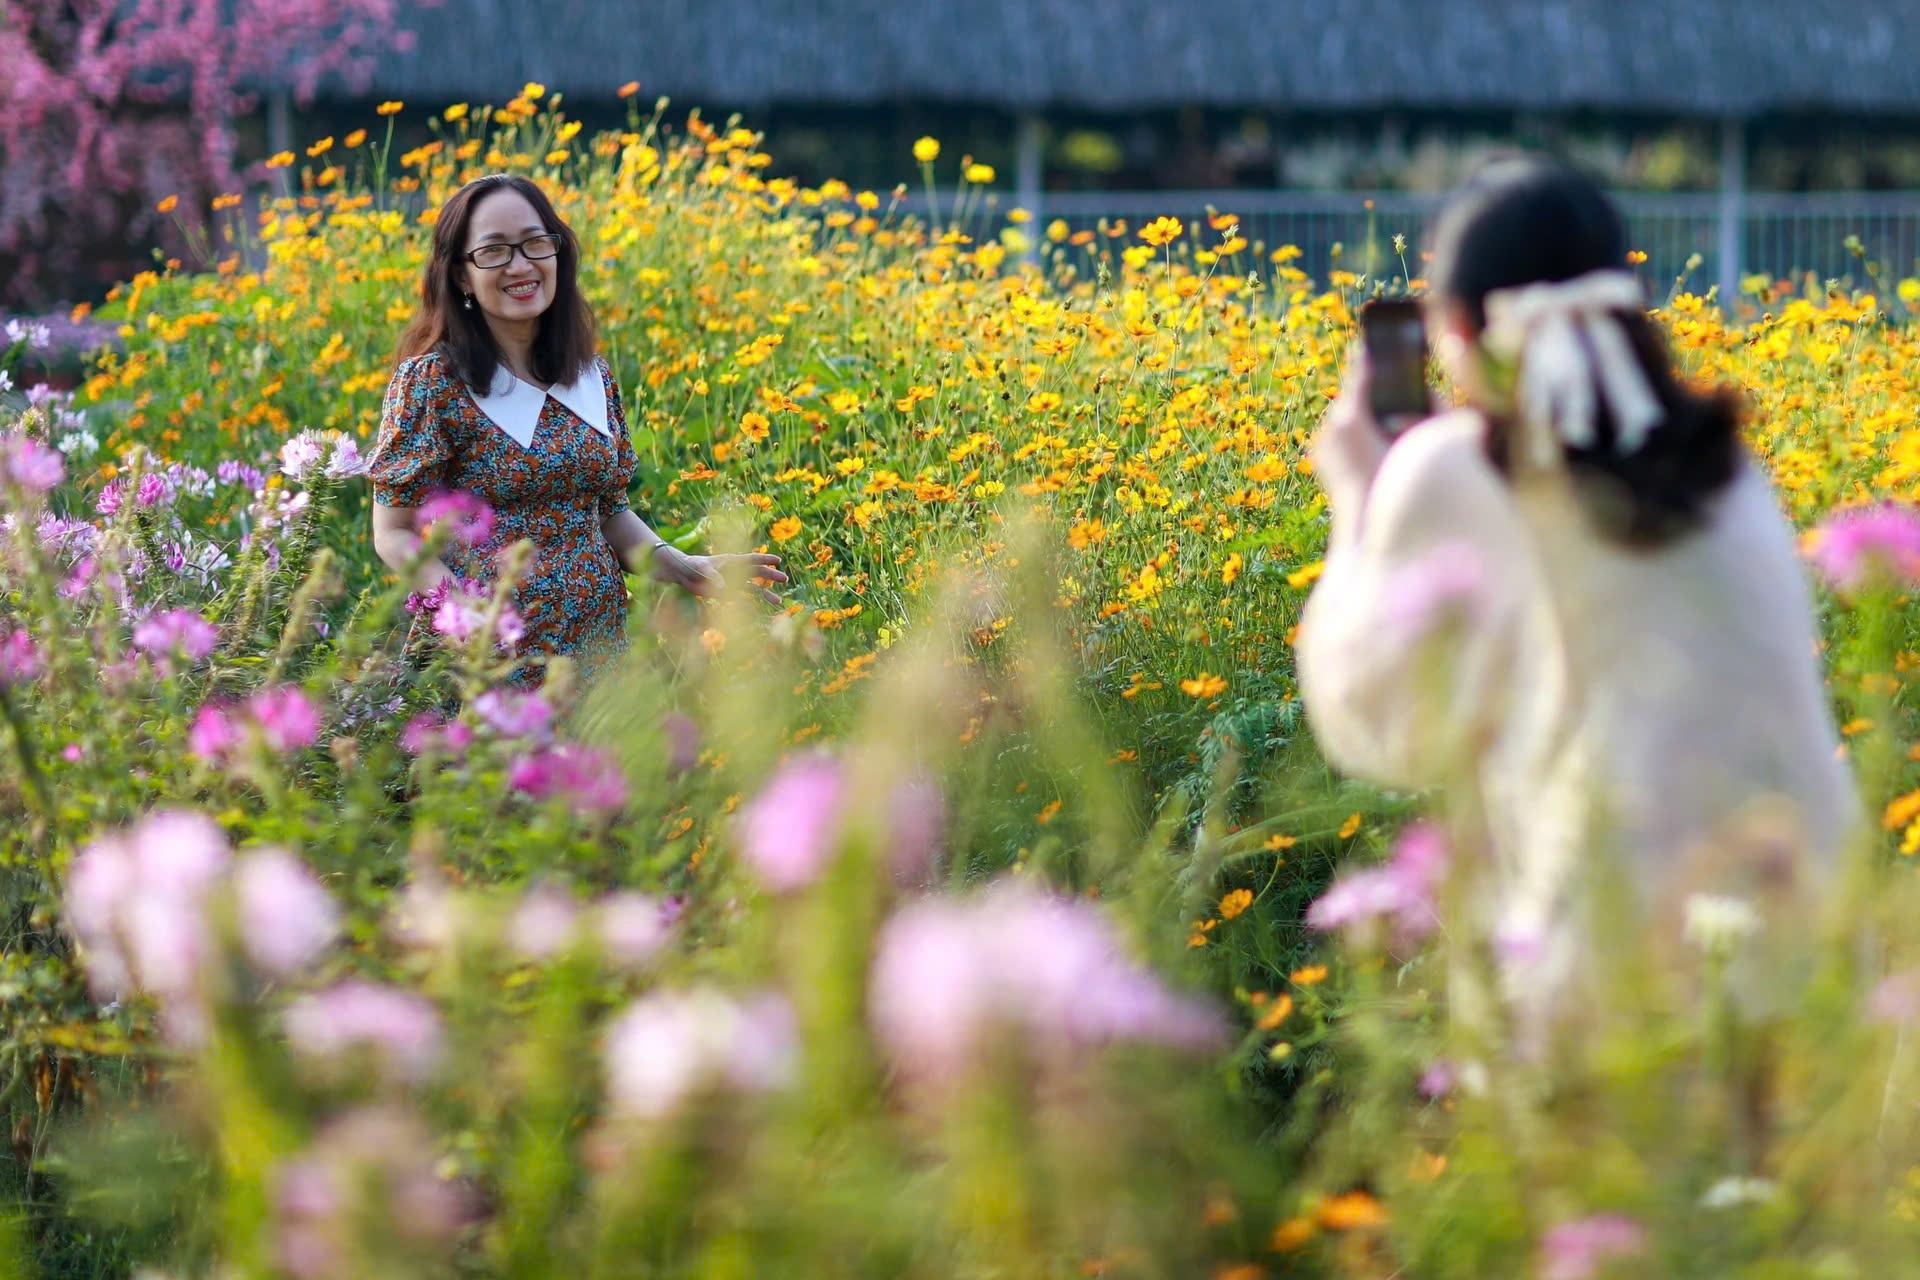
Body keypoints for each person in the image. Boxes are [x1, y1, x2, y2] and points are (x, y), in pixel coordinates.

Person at [1296, 157, 1859, 1030]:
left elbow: (1378, 726)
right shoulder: (1725, 470)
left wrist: (1359, 500)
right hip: (1816, 962)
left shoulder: (1461, 469)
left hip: (1616, 982)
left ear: (1457, 329)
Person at [368, 173, 785, 680]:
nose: (520, 265)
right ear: (460, 275)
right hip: (487, 664)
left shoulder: (592, 376)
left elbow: (608, 514)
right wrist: (461, 613)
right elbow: (393, 533)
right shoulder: (432, 383)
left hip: (595, 653)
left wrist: (686, 568)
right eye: (494, 251)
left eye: (535, 243)